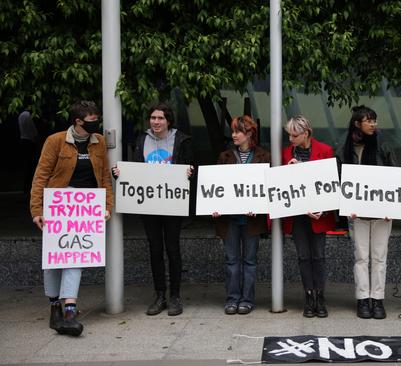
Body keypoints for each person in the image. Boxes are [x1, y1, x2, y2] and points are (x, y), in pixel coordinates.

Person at [30, 100, 113, 336]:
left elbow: (105, 178)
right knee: (54, 260)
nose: (96, 124)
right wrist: (37, 210)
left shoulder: (99, 143)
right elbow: (41, 176)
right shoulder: (55, 141)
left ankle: (70, 311)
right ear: (78, 121)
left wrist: (106, 206)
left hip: (84, 209)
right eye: (91, 121)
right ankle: (54, 306)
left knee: (75, 256)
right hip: (58, 207)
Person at [112, 102, 193, 316]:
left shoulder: (181, 140)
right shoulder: (142, 140)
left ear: (169, 121)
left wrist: (190, 173)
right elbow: (135, 167)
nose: (156, 122)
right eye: (153, 118)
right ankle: (159, 295)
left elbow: (192, 167)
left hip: (172, 203)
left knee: (173, 249)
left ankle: (175, 296)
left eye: (160, 118)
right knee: (154, 249)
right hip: (149, 204)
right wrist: (121, 173)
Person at [337, 105, 397, 320]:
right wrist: (346, 206)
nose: (373, 124)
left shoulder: (383, 143)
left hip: (382, 213)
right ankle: (363, 299)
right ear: (357, 124)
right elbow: (339, 180)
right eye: (369, 121)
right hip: (357, 214)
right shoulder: (344, 147)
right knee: (361, 258)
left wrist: (394, 206)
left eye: (375, 120)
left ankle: (378, 299)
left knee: (379, 257)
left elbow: (396, 175)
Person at [212, 116, 270, 315]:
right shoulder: (225, 157)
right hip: (230, 219)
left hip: (252, 219)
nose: (233, 135)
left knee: (250, 260)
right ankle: (232, 299)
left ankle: (247, 299)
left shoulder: (264, 157)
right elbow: (215, 187)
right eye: (233, 131)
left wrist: (260, 205)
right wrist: (213, 205)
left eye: (238, 131)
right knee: (231, 260)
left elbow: (268, 189)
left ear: (249, 134)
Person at [282, 115, 336, 318]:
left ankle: (320, 297)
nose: (290, 139)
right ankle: (308, 296)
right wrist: (288, 171)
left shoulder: (325, 150)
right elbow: (281, 185)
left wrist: (324, 208)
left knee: (318, 256)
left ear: (305, 133)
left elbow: (331, 184)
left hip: (318, 215)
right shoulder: (286, 153)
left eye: (294, 135)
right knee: (303, 256)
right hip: (297, 215)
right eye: (289, 135)